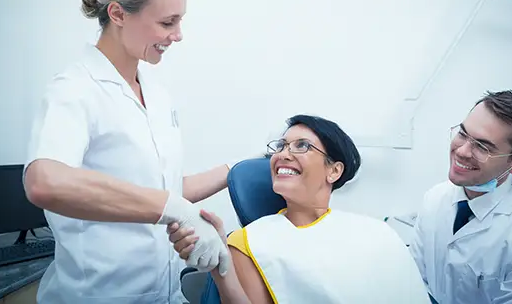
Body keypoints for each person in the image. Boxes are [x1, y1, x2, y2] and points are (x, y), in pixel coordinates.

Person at [23, 0, 234, 304]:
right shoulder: (75, 89)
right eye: (168, 22)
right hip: (97, 296)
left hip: (164, 294)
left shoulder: (155, 92)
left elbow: (160, 188)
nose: (178, 34)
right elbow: (44, 181)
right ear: (118, 13)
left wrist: (235, 170)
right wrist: (172, 207)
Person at [168, 114, 431, 303]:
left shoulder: (377, 232)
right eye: (280, 146)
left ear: (334, 170)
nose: (283, 154)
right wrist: (220, 268)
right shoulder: (248, 243)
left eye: (302, 146)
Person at [409, 90, 512, 304]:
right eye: (463, 134)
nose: (462, 151)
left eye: (483, 146)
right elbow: (414, 282)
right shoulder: (434, 199)